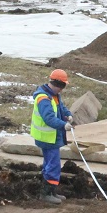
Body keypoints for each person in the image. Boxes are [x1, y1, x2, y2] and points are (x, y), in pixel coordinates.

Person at [30, 69, 72, 205]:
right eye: (62, 86)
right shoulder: (43, 98)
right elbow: (48, 118)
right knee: (53, 165)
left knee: (49, 163)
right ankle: (46, 193)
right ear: (58, 84)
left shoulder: (53, 95)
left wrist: (68, 114)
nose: (62, 90)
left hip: (51, 137)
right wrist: (63, 125)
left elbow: (61, 107)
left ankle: (51, 191)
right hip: (47, 137)